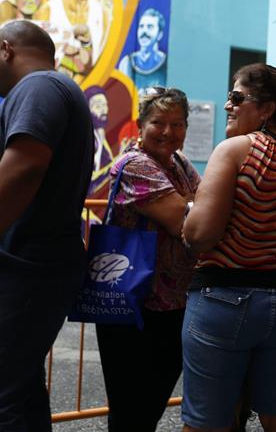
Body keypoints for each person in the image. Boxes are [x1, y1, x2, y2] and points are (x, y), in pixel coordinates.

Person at [182, 63, 276, 432]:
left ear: (266, 109)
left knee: (205, 422)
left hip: (226, 301)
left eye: (236, 97)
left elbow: (200, 234)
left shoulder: (234, 150)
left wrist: (189, 217)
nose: (228, 105)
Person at [0, 20, 93, 429]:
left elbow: (25, 166)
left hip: (17, 273)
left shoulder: (39, 87)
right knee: (17, 396)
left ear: (6, 48)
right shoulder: (53, 90)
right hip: (25, 271)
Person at [95, 86, 201, 432]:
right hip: (133, 304)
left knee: (150, 404)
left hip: (172, 304)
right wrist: (189, 204)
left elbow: (202, 209)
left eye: (178, 123)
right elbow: (185, 222)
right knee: (132, 408)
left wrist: (190, 204)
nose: (168, 132)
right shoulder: (135, 165)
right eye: (158, 122)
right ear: (141, 125)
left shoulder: (180, 163)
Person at [118, 8, 168, 91]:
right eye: (141, 26)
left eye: (150, 27)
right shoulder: (126, 63)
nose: (144, 31)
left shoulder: (167, 64)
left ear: (160, 34)